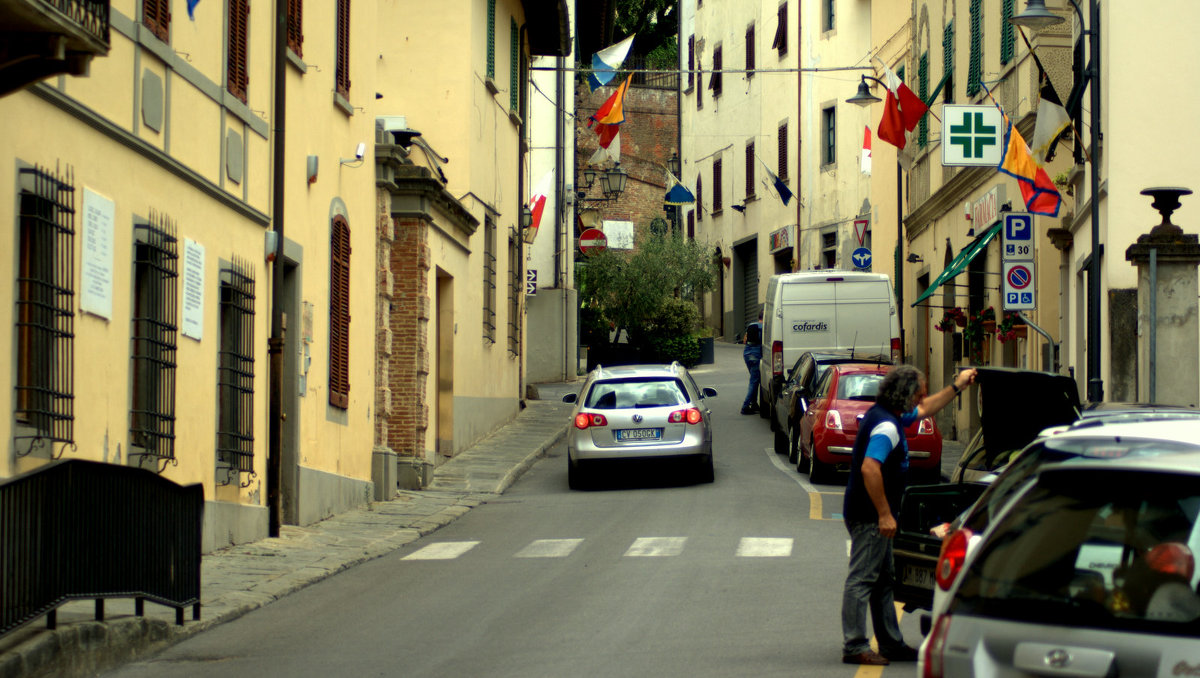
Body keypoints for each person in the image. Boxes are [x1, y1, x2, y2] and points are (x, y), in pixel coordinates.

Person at [840, 364, 977, 665]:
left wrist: (958, 386)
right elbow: (869, 468)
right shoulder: (887, 426)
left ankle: (890, 643)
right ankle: (855, 645)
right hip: (870, 517)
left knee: (883, 579)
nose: (922, 398)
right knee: (863, 579)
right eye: (919, 393)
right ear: (905, 395)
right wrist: (885, 514)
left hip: (870, 514)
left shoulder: (891, 414)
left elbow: (926, 408)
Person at [741, 310, 763, 415]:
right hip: (756, 355)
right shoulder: (764, 328)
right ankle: (745, 407)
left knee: (755, 380)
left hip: (747, 354)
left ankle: (754, 404)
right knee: (754, 381)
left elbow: (744, 340)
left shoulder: (751, 325)